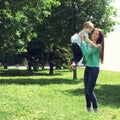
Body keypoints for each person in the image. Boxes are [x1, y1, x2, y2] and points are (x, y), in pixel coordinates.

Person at [80, 28, 104, 112]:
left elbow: (86, 52)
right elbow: (84, 52)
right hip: (88, 68)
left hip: (94, 69)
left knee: (90, 90)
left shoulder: (98, 46)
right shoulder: (89, 43)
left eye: (97, 34)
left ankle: (96, 109)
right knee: (86, 89)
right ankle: (88, 108)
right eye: (94, 33)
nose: (94, 34)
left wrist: (83, 41)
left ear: (99, 37)